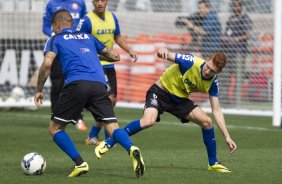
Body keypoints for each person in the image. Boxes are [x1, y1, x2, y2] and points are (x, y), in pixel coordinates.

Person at [34, 9, 145, 178]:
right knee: (113, 126)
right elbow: (114, 56)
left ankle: (80, 163)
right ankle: (131, 148)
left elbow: (47, 64)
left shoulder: (55, 38)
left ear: (57, 25)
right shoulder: (88, 37)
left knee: (55, 128)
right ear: (71, 23)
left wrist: (39, 90)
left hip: (76, 84)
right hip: (100, 84)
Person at [95, 48, 237, 173]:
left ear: (218, 72)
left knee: (206, 122)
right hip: (160, 92)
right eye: (208, 67)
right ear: (207, 60)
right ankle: (110, 141)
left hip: (179, 100)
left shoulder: (213, 83)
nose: (207, 71)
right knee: (148, 121)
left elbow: (216, 110)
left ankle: (213, 163)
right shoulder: (191, 62)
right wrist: (162, 52)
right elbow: (168, 54)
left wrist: (227, 136)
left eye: (212, 71)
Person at [76, 0, 138, 145]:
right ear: (92, 2)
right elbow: (77, 41)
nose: (99, 3)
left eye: (102, 0)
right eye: (96, 0)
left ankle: (93, 136)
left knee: (112, 102)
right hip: (95, 66)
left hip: (110, 65)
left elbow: (117, 36)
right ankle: (105, 138)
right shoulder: (86, 20)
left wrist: (129, 50)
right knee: (107, 101)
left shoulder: (112, 17)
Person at [42, 0, 88, 130]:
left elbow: (84, 23)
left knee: (77, 81)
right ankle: (55, 116)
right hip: (58, 48)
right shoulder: (51, 4)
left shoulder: (80, 3)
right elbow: (45, 27)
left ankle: (78, 118)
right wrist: (59, 36)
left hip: (75, 49)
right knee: (57, 84)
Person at [220, 0, 252, 104]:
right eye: (233, 6)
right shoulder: (231, 19)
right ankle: (224, 99)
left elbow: (248, 35)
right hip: (228, 52)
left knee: (238, 76)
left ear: (241, 6)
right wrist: (224, 37)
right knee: (225, 75)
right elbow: (227, 32)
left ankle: (237, 102)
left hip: (239, 53)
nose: (235, 8)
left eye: (237, 6)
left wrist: (236, 39)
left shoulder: (245, 18)